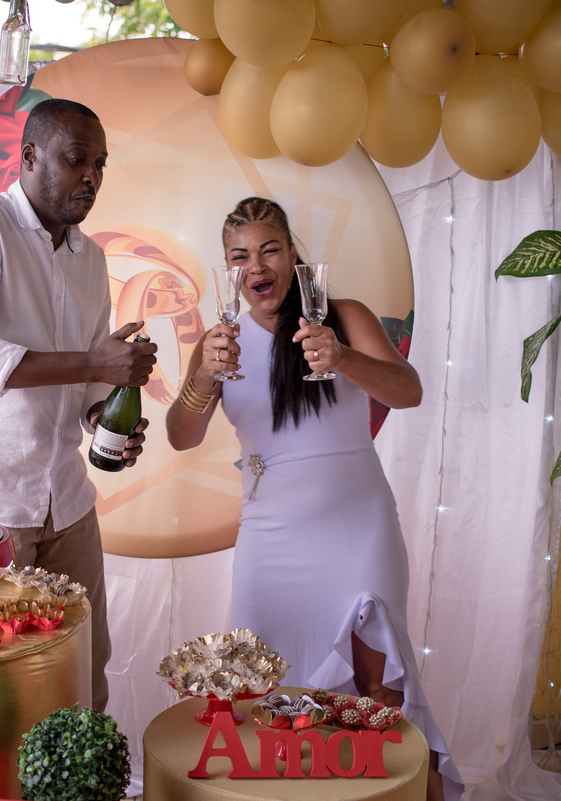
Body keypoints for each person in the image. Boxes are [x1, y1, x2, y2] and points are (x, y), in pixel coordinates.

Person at [165, 197, 463, 801]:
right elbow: (179, 434)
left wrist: (342, 356)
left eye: (269, 248)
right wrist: (202, 378)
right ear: (230, 270)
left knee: (380, 695)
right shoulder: (218, 341)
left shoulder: (343, 315)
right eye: (240, 256)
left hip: (359, 531)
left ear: (292, 253)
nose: (257, 265)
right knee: (264, 702)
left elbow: (408, 391)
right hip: (269, 542)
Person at [0, 98, 158, 712]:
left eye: (100, 164)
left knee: (84, 668)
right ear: (30, 157)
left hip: (69, 501)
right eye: (77, 160)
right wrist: (96, 365)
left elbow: (86, 383)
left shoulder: (93, 258)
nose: (92, 178)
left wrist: (104, 417)